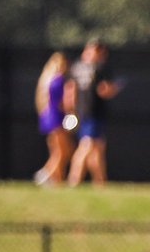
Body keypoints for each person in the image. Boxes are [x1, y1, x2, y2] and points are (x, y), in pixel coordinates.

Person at [65, 38, 120, 187]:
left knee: (98, 148)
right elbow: (104, 90)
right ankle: (73, 180)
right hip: (93, 112)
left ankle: (100, 182)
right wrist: (115, 88)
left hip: (82, 113)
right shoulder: (100, 67)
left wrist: (70, 110)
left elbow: (70, 91)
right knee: (87, 145)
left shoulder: (77, 66)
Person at [34, 51, 73, 187]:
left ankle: (57, 179)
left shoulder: (47, 79)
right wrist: (71, 116)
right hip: (56, 117)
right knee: (63, 150)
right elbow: (64, 102)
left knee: (58, 149)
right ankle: (45, 174)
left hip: (47, 116)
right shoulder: (58, 80)